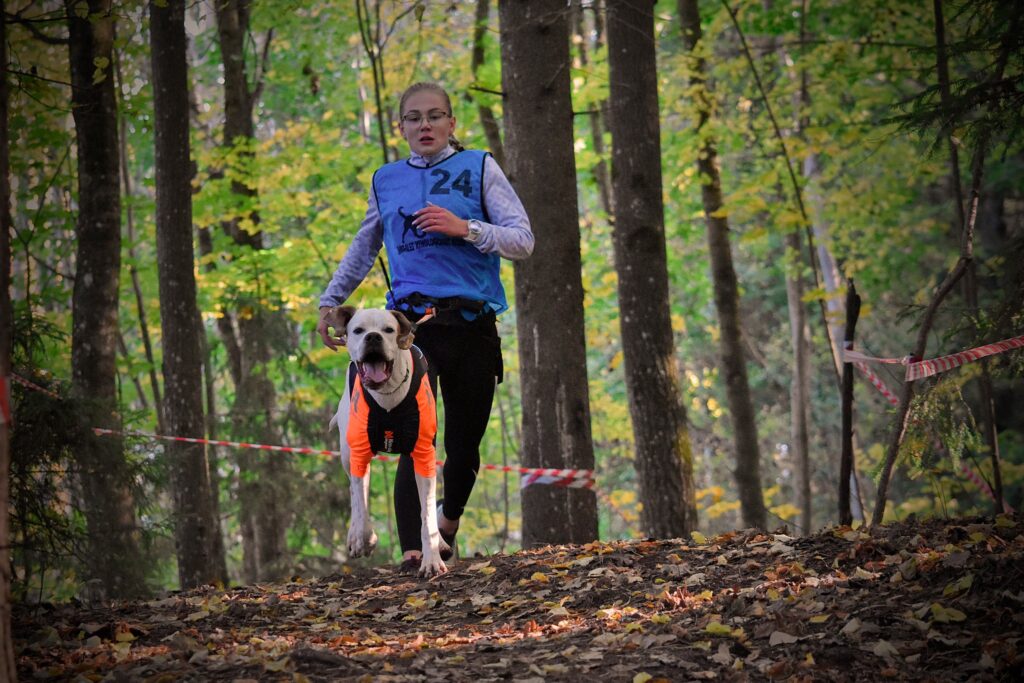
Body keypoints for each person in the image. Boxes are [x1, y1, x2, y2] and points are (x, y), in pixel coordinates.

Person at [317, 82, 534, 571]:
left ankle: (449, 520)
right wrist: (330, 301)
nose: (425, 126)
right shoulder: (386, 180)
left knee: (462, 448)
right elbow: (365, 244)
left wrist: (466, 228)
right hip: (413, 328)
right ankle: (416, 552)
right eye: (414, 118)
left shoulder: (479, 167)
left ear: (452, 123)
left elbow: (523, 240)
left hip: (474, 325)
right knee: (415, 431)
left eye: (435, 116)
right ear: (401, 128)